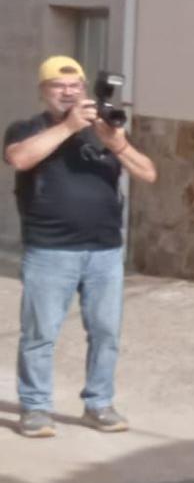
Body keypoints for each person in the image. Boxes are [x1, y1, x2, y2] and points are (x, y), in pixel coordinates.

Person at [6, 55, 158, 437]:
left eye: (75, 86)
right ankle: (36, 408)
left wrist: (118, 144)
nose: (69, 92)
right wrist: (69, 127)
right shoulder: (26, 128)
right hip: (50, 250)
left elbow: (148, 173)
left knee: (106, 332)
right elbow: (20, 158)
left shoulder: (103, 131)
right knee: (40, 334)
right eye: (59, 86)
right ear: (44, 91)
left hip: (105, 252)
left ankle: (99, 404)